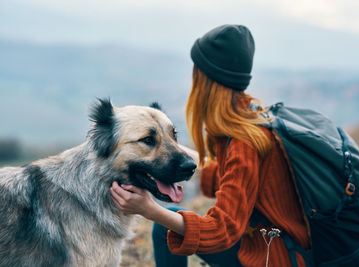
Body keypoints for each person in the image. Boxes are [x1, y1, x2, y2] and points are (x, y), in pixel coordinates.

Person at [110, 24, 311, 267]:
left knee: (166, 224)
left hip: (277, 258)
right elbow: (233, 179)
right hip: (276, 245)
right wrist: (181, 158)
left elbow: (221, 231)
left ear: (206, 81)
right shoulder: (252, 117)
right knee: (169, 226)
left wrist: (150, 209)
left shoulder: (244, 143)